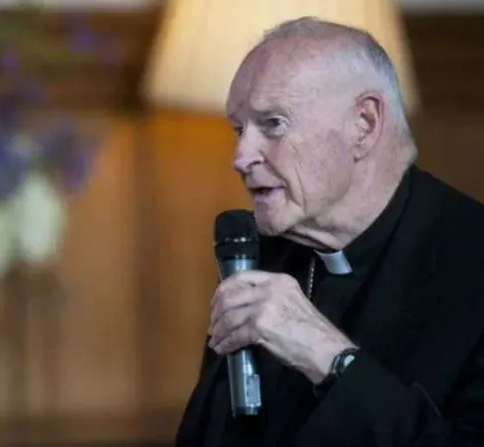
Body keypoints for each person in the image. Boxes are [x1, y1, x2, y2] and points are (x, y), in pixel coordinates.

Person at [175, 16, 484, 447]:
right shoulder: (257, 254)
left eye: (273, 123)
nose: (240, 157)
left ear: (364, 124)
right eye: (239, 128)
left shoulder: (472, 261)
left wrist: (325, 354)